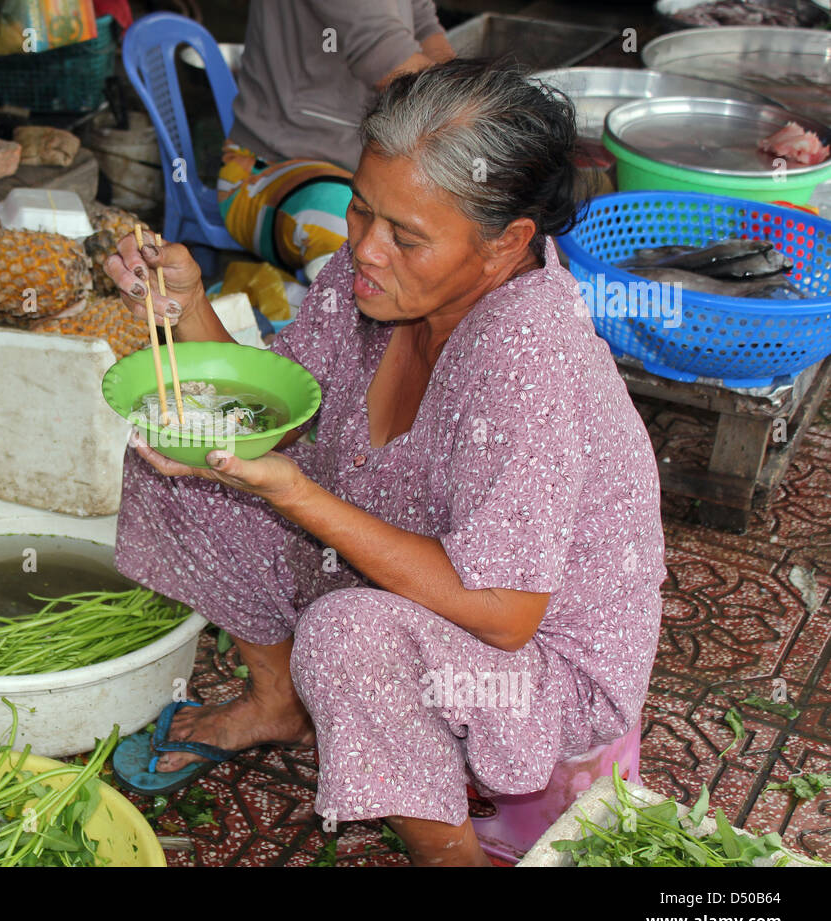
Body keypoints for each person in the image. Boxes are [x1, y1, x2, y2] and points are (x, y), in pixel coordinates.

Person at [103, 61, 666, 866]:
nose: (364, 248)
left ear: (506, 245)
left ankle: (452, 857)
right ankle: (276, 704)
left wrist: (297, 495)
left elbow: (506, 614)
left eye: (406, 236)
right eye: (362, 209)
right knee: (175, 450)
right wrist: (188, 304)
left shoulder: (527, 357)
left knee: (348, 637)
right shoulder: (367, 280)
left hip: (534, 669)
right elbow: (278, 410)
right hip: (398, 566)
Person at [217, 0, 456, 274]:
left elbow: (423, 23)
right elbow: (386, 58)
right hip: (267, 172)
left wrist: (467, 94)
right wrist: (473, 115)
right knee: (359, 235)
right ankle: (326, 311)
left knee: (455, 229)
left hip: (367, 175)